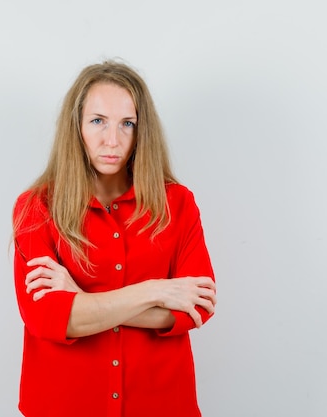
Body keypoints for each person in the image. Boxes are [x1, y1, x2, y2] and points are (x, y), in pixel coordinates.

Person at [12, 60, 216, 417]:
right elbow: (49, 318)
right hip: (64, 406)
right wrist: (156, 291)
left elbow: (196, 308)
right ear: (76, 127)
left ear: (142, 131)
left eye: (127, 124)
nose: (113, 140)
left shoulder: (178, 203)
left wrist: (80, 298)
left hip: (161, 405)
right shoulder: (36, 208)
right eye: (98, 121)